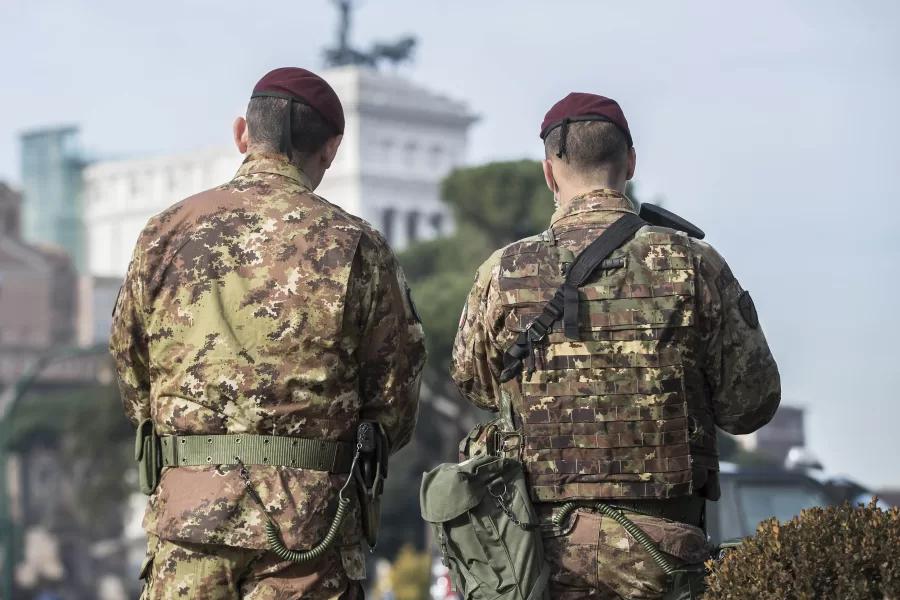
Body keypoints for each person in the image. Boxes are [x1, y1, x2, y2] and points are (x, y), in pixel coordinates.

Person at [110, 67, 426, 599]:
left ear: (242, 133)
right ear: (330, 149)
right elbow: (393, 396)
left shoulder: (163, 234)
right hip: (308, 531)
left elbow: (130, 364)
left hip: (189, 521)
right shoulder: (357, 245)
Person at [450, 92, 780, 600]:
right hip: (664, 552)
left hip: (539, 557)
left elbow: (474, 382)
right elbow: (751, 404)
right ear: (630, 162)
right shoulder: (695, 263)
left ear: (549, 173)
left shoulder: (504, 272)